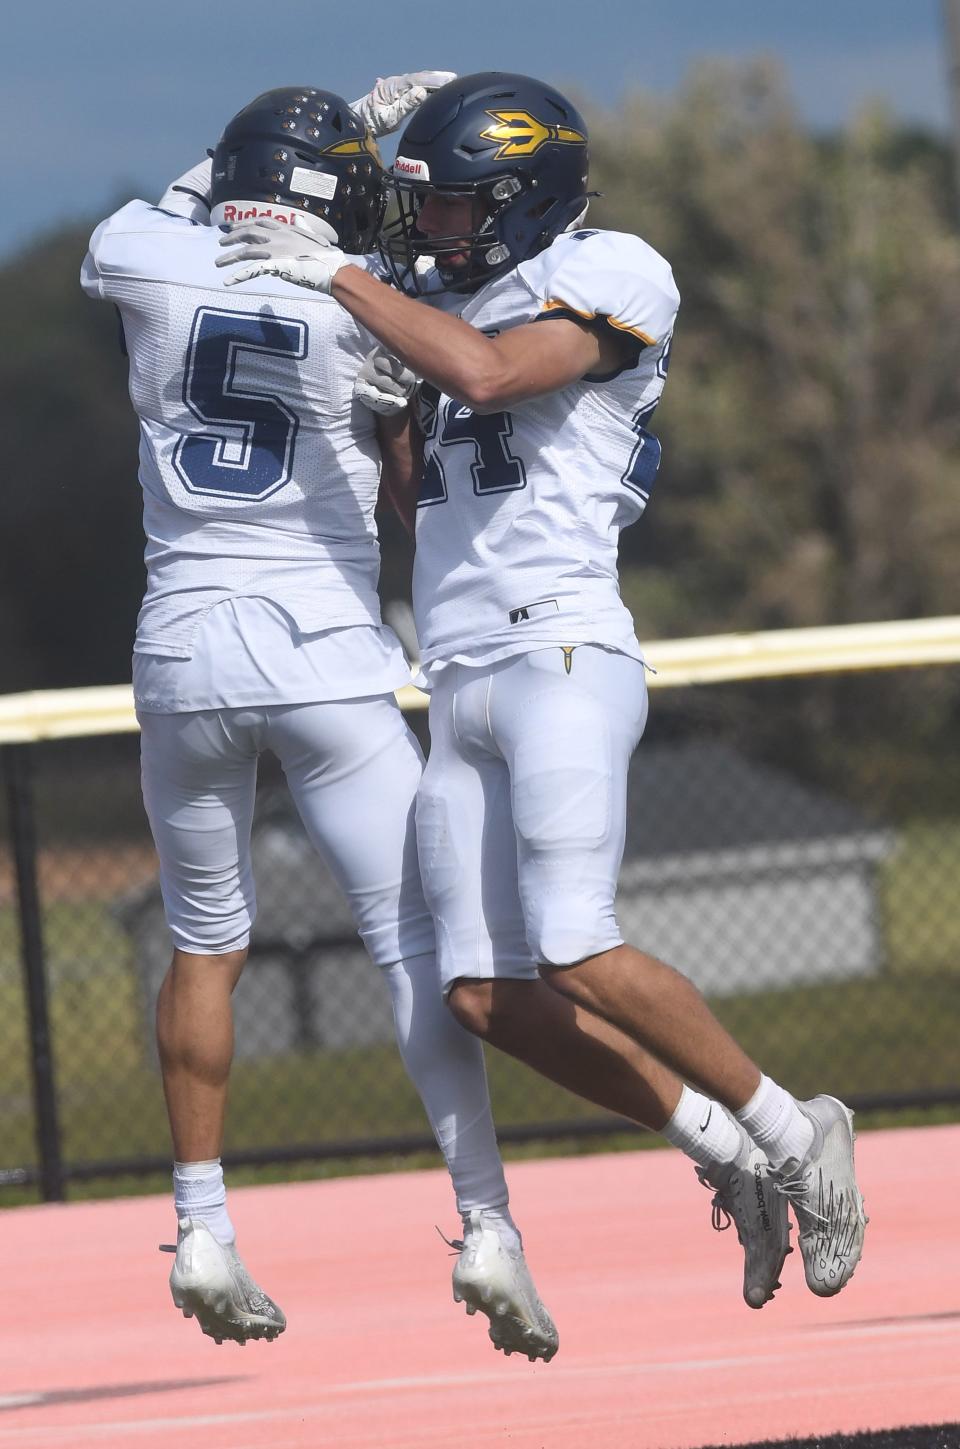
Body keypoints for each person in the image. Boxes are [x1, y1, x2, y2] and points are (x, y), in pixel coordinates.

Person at [217, 71, 869, 1306]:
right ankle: (721, 1146)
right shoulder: (441, 306)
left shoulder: (616, 271)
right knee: (480, 992)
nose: (432, 234)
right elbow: (435, 506)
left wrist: (344, 277)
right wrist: (386, 426)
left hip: (562, 648)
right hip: (460, 664)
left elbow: (496, 375)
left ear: (526, 200)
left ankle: (797, 1133)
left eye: (457, 209)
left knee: (574, 942)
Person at [80, 75, 561, 1362]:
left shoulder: (147, 259)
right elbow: (414, 470)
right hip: (325, 654)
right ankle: (487, 1224)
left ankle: (200, 1225)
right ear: (331, 203)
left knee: (204, 943)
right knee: (413, 947)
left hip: (181, 652)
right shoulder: (365, 314)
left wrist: (265, 145)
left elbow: (179, 206)